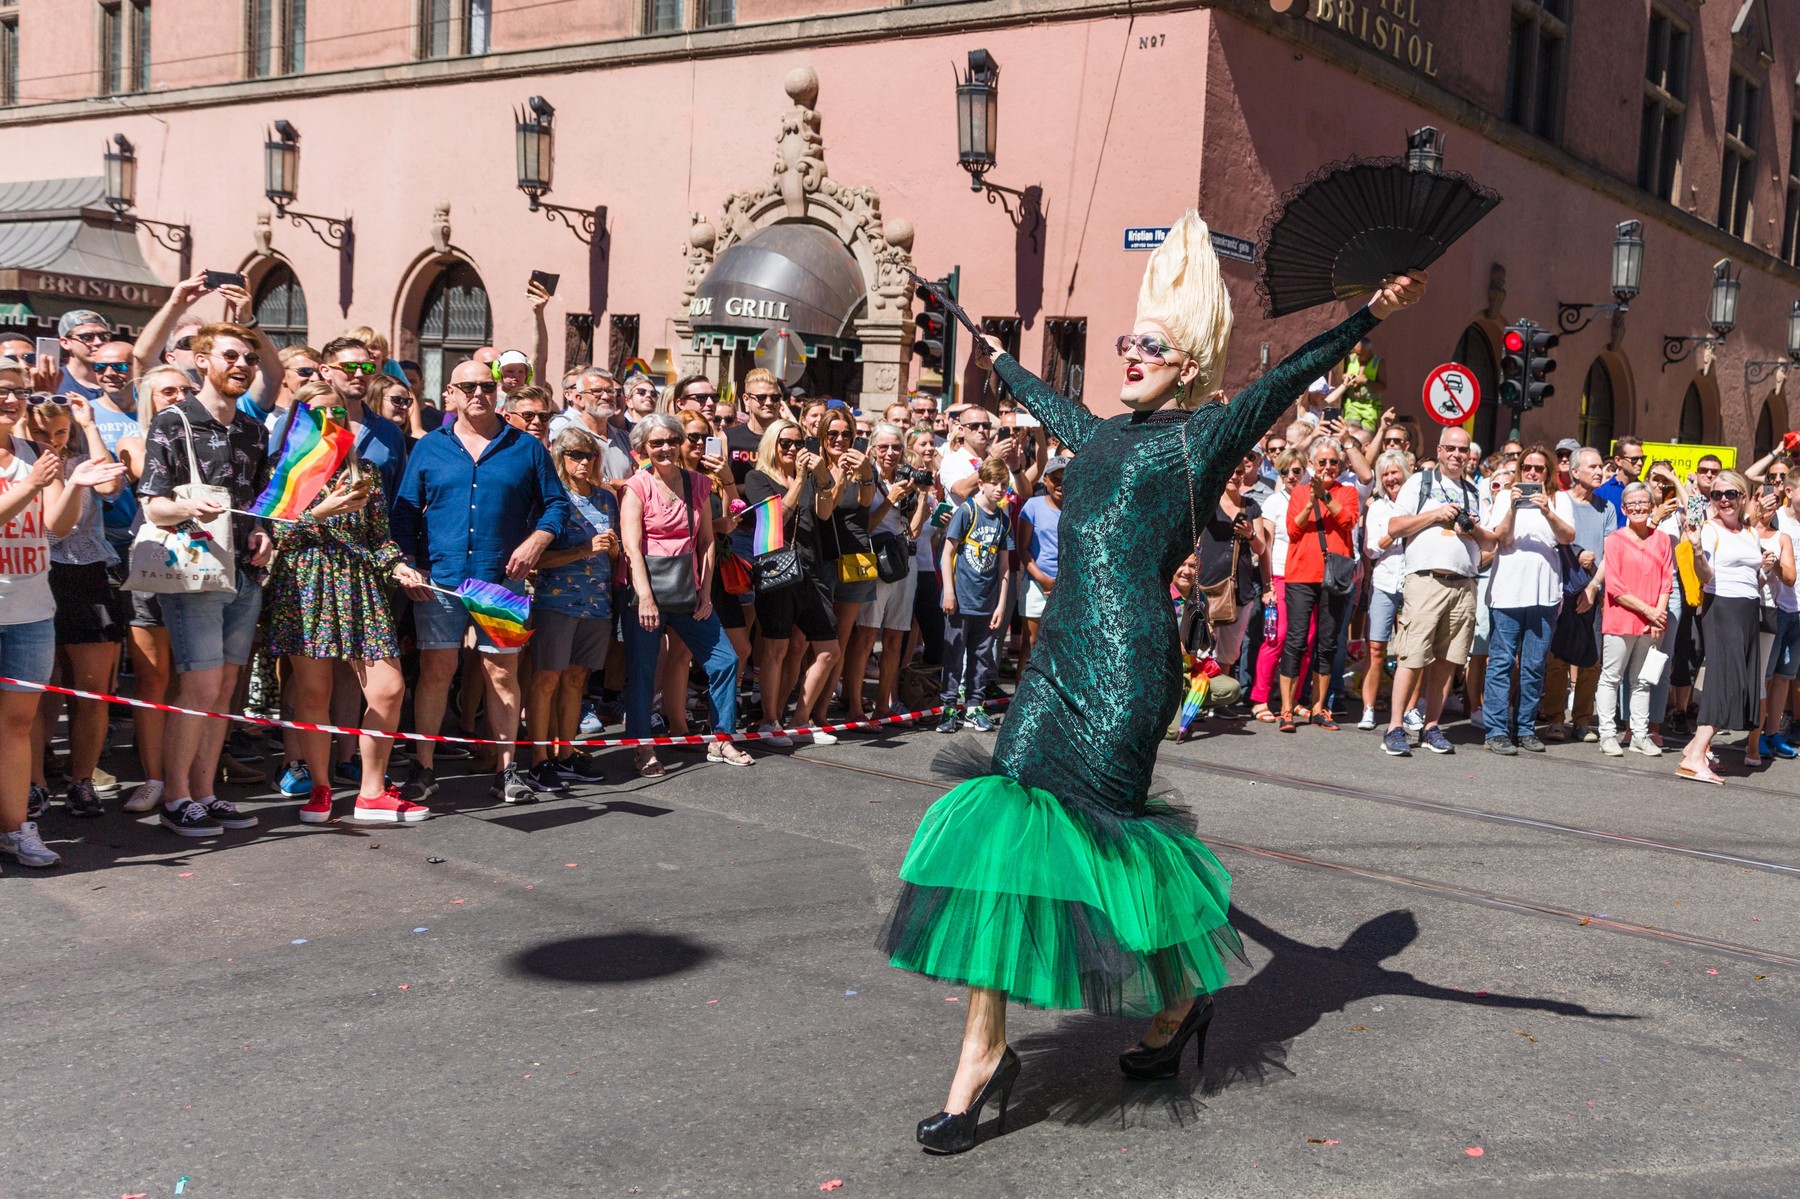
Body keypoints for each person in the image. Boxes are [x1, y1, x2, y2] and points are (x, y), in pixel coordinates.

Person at [885, 212, 1426, 1154]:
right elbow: (1030, 386)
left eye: (1150, 346)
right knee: (1003, 830)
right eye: (1128, 343)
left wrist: (1368, 314)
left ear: (1190, 365)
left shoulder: (1204, 436)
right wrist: (961, 319)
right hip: (1053, 663)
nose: (1130, 354)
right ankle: (984, 1047)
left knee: (1113, 849)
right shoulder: (1096, 434)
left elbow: (1288, 379)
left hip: (1129, 666)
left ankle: (1179, 999)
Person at [391, 358, 569, 805]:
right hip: (440, 578)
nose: (478, 394)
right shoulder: (430, 447)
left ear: (498, 392)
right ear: (449, 393)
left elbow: (556, 506)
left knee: (502, 674)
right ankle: (424, 768)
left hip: (499, 581)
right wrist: (407, 561)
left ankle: (507, 772)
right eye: (467, 386)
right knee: (435, 672)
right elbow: (405, 513)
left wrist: (536, 542)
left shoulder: (525, 448)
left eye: (486, 386)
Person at [264, 382, 432, 824]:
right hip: (306, 586)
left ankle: (371, 791)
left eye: (339, 413)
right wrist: (321, 512)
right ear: (300, 421)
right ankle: (320, 790)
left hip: (360, 586)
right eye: (320, 414)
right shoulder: (283, 471)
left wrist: (397, 565)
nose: (333, 422)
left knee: (389, 689)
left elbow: (379, 538)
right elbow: (269, 537)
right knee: (314, 693)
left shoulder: (365, 471)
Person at [136, 323, 275, 837]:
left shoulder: (254, 431)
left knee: (225, 688)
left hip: (245, 571)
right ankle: (175, 797)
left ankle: (205, 792)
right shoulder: (173, 422)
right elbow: (152, 502)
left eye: (249, 359)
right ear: (202, 362)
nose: (242, 365)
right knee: (201, 683)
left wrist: (263, 533)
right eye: (231, 356)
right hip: (193, 568)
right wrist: (185, 505)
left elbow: (263, 502)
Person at [0, 360, 126, 865]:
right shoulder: (28, 467)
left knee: (16, 726)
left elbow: (56, 528)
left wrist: (74, 484)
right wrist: (31, 485)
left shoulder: (30, 451)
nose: (11, 399)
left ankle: (15, 828)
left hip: (30, 611)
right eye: (2, 390)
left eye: (17, 392)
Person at [619, 412, 752, 776]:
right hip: (647, 590)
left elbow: (707, 541)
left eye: (672, 441)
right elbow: (631, 547)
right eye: (656, 443)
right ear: (644, 447)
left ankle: (722, 738)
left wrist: (706, 593)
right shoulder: (636, 486)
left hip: (688, 590)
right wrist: (645, 596)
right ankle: (642, 747)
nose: (665, 448)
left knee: (725, 660)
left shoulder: (697, 484)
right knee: (644, 670)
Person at [24, 394, 127, 817]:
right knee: (35, 694)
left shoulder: (80, 457)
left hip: (87, 573)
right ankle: (34, 783)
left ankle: (82, 780)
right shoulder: (19, 462)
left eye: (60, 432)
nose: (52, 441)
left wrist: (89, 425)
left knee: (90, 692)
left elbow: (110, 485)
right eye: (42, 433)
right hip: (39, 574)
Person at [1379, 425, 1496, 757]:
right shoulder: (1420, 482)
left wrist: (1470, 529)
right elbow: (1394, 527)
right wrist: (1434, 515)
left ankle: (1431, 726)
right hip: (1425, 580)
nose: (1457, 455)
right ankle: (1394, 727)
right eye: (1451, 449)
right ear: (1440, 450)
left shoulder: (1474, 491)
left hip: (1464, 584)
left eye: (1463, 450)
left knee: (1448, 659)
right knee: (1413, 655)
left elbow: (1491, 542)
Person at [525, 425, 619, 790]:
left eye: (590, 454)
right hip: (557, 601)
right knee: (547, 678)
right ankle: (538, 758)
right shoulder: (551, 499)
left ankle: (565, 753)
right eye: (575, 454)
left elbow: (611, 554)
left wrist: (611, 549)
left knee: (577, 679)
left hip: (597, 602)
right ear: (559, 458)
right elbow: (536, 560)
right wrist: (583, 549)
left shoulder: (606, 499)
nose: (584, 461)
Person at [743, 420, 841, 746]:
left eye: (798, 443)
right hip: (777, 569)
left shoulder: (812, 479)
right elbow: (776, 519)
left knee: (828, 650)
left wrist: (823, 478)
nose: (792, 449)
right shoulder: (758, 478)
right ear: (772, 444)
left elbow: (824, 515)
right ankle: (770, 720)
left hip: (810, 570)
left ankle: (799, 720)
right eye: (785, 443)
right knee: (777, 647)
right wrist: (800, 479)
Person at [656, 411, 751, 738]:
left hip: (718, 570)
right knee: (681, 652)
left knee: (740, 649)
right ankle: (678, 725)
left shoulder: (708, 475)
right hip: (684, 571)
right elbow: (670, 527)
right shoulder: (671, 476)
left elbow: (733, 514)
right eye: (691, 437)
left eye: (703, 436)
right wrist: (713, 528)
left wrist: (725, 477)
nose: (697, 443)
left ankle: (719, 720)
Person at [1478, 446, 1577, 754]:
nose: (1533, 473)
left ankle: (1524, 728)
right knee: (1502, 663)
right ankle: (1496, 730)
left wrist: (1547, 510)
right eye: (1528, 467)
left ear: (1548, 472)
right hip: (1508, 593)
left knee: (1534, 665)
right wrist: (1512, 507)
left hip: (1544, 594)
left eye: (1539, 468)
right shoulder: (1504, 497)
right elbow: (1501, 538)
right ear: (1520, 470)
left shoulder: (1559, 499)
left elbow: (1567, 537)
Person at [1677, 471, 1765, 783]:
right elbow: (1705, 576)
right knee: (1726, 680)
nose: (1723, 500)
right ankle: (1697, 754)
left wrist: (1765, 570)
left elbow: (1753, 577)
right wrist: (1698, 549)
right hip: (1721, 607)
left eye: (1730, 494)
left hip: (1747, 608)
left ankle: (1692, 749)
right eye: (1717, 495)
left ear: (1743, 497)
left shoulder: (1750, 532)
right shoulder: (1710, 530)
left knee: (1736, 680)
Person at [844, 422, 930, 722]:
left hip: (903, 561)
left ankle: (883, 706)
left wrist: (920, 496)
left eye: (896, 447)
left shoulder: (906, 477)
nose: (890, 453)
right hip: (873, 561)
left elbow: (915, 530)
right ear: (872, 450)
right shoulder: (864, 477)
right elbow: (861, 526)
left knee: (895, 639)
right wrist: (891, 498)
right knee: (866, 637)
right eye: (884, 447)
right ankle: (855, 706)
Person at [1279, 436, 1359, 730]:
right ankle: (1287, 708)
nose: (1328, 467)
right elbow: (1293, 530)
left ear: (1340, 465)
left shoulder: (1347, 492)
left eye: (1333, 462)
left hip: (1334, 574)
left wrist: (1325, 498)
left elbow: (1349, 521)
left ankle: (1318, 708)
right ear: (1312, 464)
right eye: (1322, 462)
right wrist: (1311, 500)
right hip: (1301, 574)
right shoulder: (1300, 493)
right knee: (1296, 641)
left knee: (1328, 643)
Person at [1538, 447, 1616, 742]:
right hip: (1561, 587)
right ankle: (1555, 718)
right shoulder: (1558, 501)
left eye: (1600, 467)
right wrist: (1579, 553)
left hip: (1593, 589)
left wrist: (1594, 587)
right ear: (1574, 472)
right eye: (1593, 467)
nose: (1599, 472)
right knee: (1558, 658)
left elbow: (1610, 553)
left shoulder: (1606, 508)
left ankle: (1582, 720)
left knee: (1590, 658)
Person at [1596, 481, 1674, 757]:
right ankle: (1607, 734)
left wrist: (1657, 616)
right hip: (1621, 620)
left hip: (1653, 623)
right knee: (1611, 678)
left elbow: (1667, 581)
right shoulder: (1614, 540)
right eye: (1633, 504)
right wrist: (1651, 612)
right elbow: (1616, 589)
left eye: (1644, 503)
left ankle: (1640, 734)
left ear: (1652, 507)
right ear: (1624, 508)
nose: (1639, 508)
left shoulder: (1662, 539)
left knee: (1643, 680)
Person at [936, 458, 1013, 734]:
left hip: (986, 600)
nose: (999, 489)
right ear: (981, 483)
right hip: (960, 598)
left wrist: (1001, 604)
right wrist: (948, 591)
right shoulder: (967, 511)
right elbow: (947, 554)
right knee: (954, 653)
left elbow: (1004, 567)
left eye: (1003, 484)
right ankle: (948, 707)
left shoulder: (1003, 520)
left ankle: (974, 706)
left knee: (981, 656)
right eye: (994, 483)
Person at [812, 406, 876, 729]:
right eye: (832, 434)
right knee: (813, 641)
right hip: (822, 559)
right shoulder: (814, 465)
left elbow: (866, 501)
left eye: (846, 434)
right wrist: (836, 479)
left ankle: (822, 712)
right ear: (822, 437)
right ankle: (802, 707)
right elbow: (825, 511)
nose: (839, 439)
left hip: (855, 558)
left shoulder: (863, 465)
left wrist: (865, 472)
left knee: (842, 639)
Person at [1196, 455, 1266, 679]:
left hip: (1239, 590)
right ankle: (1200, 701)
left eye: (1238, 472)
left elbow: (1261, 548)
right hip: (1207, 585)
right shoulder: (1208, 503)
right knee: (1201, 648)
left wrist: (1250, 534)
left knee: (1229, 651)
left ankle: (1220, 701)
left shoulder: (1251, 506)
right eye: (1230, 472)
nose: (1234, 477)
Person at [1249, 448, 1306, 722]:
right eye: (1285, 471)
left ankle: (1291, 698)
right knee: (1277, 636)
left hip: (1306, 577)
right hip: (1281, 575)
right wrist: (1268, 584)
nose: (1291, 476)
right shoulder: (1273, 502)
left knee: (1305, 639)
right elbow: (1266, 547)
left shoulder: (1310, 499)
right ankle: (1260, 698)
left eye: (1296, 470)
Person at [1358, 450, 1410, 729]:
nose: (1391, 478)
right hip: (1385, 582)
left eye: (1395, 472)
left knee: (1411, 652)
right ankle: (1368, 708)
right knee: (1376, 648)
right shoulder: (1377, 507)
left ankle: (1410, 709)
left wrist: (1388, 534)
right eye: (1385, 474)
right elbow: (1371, 548)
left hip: (1413, 582)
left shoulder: (1417, 502)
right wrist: (1396, 532)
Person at [1753, 482, 1799, 761]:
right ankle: (1754, 736)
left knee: (1785, 677)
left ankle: (1772, 733)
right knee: (1765, 678)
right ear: (1790, 491)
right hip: (1774, 609)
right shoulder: (1776, 518)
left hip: (1797, 612)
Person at [1015, 456, 1066, 680]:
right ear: (1045, 480)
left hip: (1068, 587)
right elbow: (1023, 548)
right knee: (1031, 642)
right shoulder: (1032, 506)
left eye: (1066, 478)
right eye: (1055, 478)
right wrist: (1043, 580)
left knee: (1062, 646)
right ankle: (1020, 698)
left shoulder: (1078, 508)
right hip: (1037, 584)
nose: (1061, 484)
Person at [1594, 436, 1643, 527]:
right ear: (1618, 460)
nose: (1640, 463)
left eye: (1642, 458)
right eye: (1634, 459)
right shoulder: (1602, 493)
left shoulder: (1646, 492)